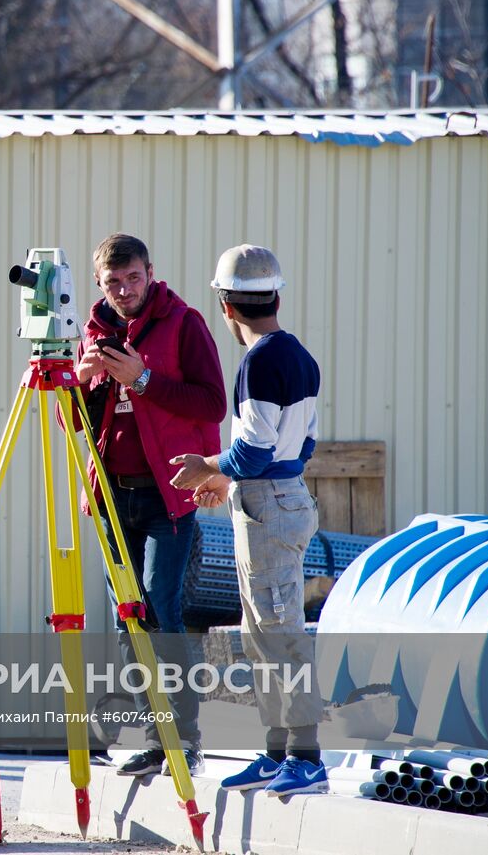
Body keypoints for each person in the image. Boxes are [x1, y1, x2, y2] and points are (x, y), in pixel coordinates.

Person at [168, 244, 327, 797]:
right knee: (262, 633)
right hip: (280, 496)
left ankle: (306, 758)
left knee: (279, 632)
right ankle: (279, 752)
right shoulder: (299, 356)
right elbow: (301, 445)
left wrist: (209, 467)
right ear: (275, 297)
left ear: (226, 306)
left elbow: (254, 450)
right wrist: (231, 477)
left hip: (267, 504)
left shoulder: (258, 362)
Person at [69, 233, 226, 779]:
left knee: (160, 607)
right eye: (113, 282)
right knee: (126, 614)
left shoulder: (182, 323)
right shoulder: (93, 331)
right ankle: (156, 738)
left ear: (150, 273)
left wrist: (143, 378)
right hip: (113, 494)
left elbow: (213, 403)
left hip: (168, 493)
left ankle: (186, 739)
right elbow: (72, 422)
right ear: (99, 283)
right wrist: (82, 379)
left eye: (133, 278)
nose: (124, 290)